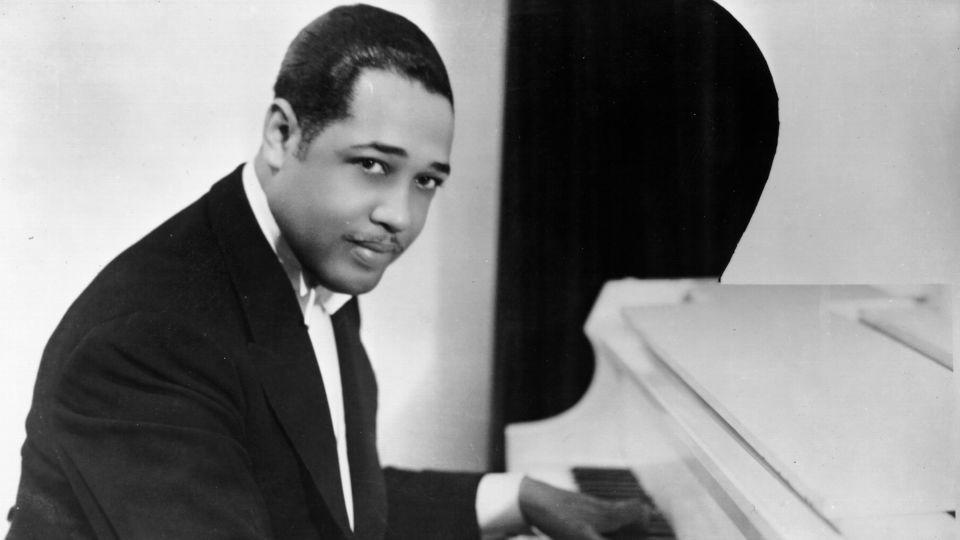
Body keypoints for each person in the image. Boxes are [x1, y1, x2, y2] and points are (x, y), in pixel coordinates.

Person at [8, 5, 648, 539]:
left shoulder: (318, 260)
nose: (399, 215)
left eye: (426, 180)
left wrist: (520, 497)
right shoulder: (151, 341)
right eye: (372, 164)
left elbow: (327, 496)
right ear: (282, 135)